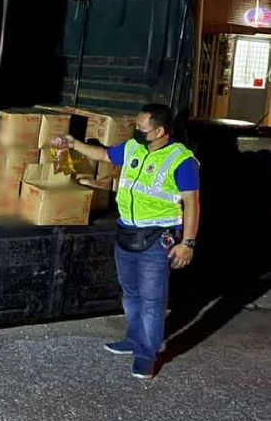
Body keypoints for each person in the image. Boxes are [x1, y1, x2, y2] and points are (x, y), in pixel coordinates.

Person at [52, 104, 200, 380]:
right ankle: (133, 339)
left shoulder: (181, 161)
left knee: (152, 300)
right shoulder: (134, 147)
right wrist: (75, 144)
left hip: (157, 238)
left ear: (160, 131)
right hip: (126, 232)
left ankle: (146, 354)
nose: (137, 131)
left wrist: (187, 243)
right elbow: (105, 154)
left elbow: (192, 203)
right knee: (130, 294)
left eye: (142, 128)